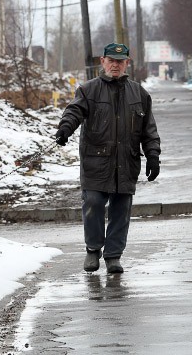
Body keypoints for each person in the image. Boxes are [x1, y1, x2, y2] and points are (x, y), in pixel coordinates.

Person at [54, 43, 161, 273]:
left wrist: (153, 155)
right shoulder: (88, 90)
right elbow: (74, 112)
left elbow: (148, 129)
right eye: (111, 60)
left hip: (126, 162)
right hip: (96, 162)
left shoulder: (139, 94)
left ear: (127, 64)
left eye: (120, 61)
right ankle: (93, 250)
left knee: (121, 210)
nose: (115, 65)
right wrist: (65, 129)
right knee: (93, 203)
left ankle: (113, 256)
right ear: (102, 62)